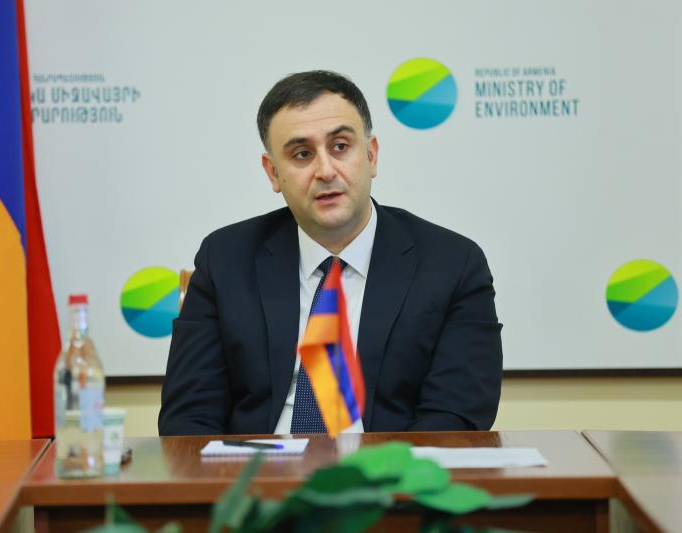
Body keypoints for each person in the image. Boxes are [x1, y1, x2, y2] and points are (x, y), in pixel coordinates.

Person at [159, 71, 502, 436]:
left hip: (388, 468)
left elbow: (455, 418)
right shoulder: (225, 260)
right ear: (273, 173)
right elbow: (187, 419)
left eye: (340, 146)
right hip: (259, 467)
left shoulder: (452, 264)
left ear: (371, 155)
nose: (325, 171)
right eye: (302, 154)